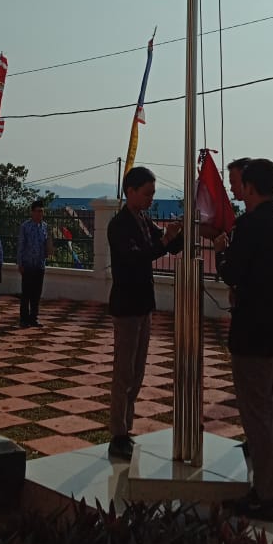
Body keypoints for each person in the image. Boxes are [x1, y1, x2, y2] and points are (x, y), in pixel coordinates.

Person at [213, 158, 273, 522]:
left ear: (250, 188)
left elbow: (232, 273)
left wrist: (221, 251)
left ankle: (265, 496)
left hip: (255, 332)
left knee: (258, 416)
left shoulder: (249, 226)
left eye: (240, 186)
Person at [107, 166, 182, 460]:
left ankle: (128, 425)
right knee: (123, 370)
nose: (151, 199)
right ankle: (118, 432)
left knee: (137, 371)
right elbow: (138, 256)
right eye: (147, 193)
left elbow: (164, 247)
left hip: (143, 304)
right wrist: (164, 242)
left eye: (153, 194)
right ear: (131, 191)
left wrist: (175, 235)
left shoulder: (142, 219)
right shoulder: (119, 225)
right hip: (126, 305)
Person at [16, 200, 54, 328]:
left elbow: (47, 244)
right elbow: (21, 245)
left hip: (39, 265)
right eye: (37, 211)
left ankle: (34, 318)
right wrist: (20, 263)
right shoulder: (25, 226)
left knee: (36, 294)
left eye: (42, 211)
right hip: (27, 264)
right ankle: (24, 319)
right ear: (32, 212)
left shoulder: (44, 227)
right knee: (26, 293)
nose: (40, 214)